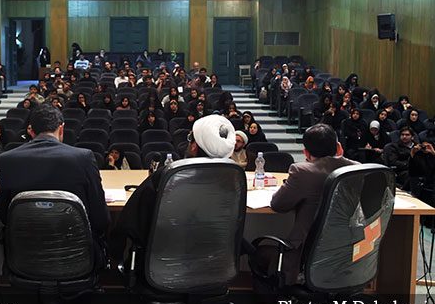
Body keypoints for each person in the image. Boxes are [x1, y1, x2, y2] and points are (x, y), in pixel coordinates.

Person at [111, 115, 237, 266]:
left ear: (195, 145)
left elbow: (129, 222)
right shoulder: (232, 181)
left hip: (161, 265)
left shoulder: (169, 175)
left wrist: (115, 252)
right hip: (215, 267)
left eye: (190, 138)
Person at [0, 102, 110, 267]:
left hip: (26, 259)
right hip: (76, 258)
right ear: (61, 128)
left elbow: (4, 216)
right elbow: (101, 219)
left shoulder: (7, 160)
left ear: (31, 130)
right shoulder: (84, 158)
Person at [254, 124, 358, 285]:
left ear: (306, 153)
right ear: (339, 147)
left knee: (258, 253)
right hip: (347, 254)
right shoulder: (357, 170)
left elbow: (278, 205)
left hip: (304, 256)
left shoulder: (302, 171)